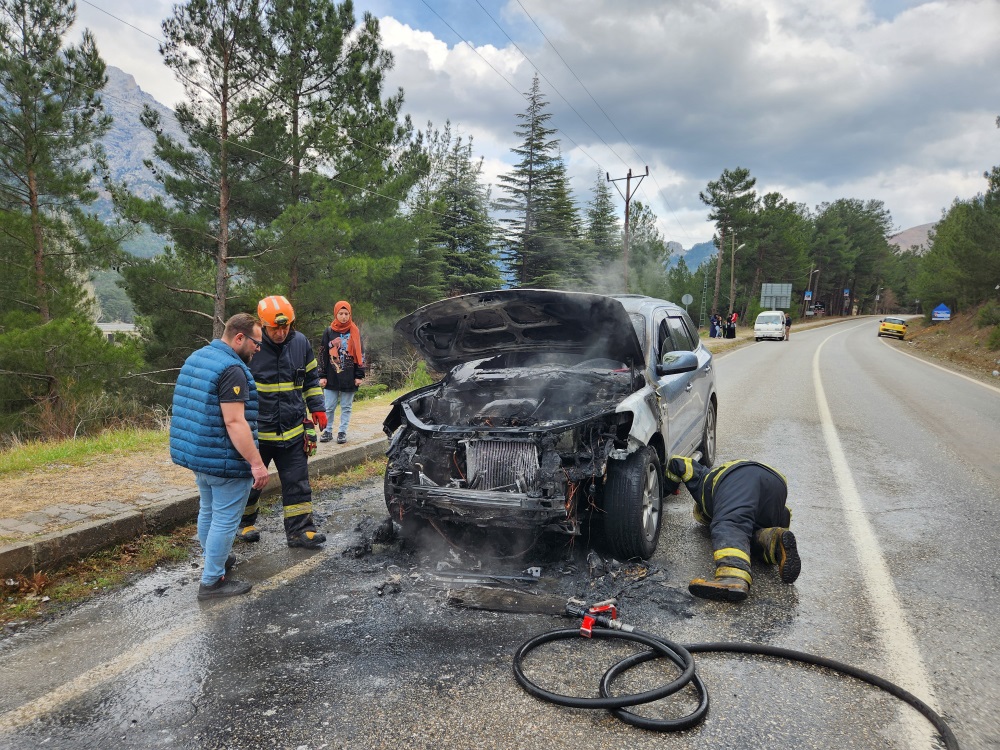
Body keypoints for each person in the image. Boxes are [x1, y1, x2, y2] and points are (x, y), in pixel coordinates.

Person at [170, 313, 270, 600]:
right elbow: (235, 422)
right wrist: (256, 463)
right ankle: (213, 581)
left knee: (209, 511)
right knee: (225, 520)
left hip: (199, 454)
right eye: (255, 343)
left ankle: (218, 559)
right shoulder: (232, 370)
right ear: (239, 338)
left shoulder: (199, 356)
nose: (257, 349)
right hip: (224, 459)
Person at [237, 295, 329, 549]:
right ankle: (243, 524)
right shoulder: (251, 347)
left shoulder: (300, 343)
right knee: (251, 483)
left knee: (298, 482)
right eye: (275, 328)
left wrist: (317, 409)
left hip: (292, 429)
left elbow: (310, 379)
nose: (280, 332)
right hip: (258, 431)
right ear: (263, 325)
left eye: (285, 327)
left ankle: (300, 531)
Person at [663, 455, 800, 603]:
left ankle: (732, 575)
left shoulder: (704, 482)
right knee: (749, 536)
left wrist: (662, 490)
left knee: (730, 524)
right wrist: (781, 529)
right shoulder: (730, 497)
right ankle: (774, 543)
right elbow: (785, 513)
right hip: (777, 485)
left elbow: (677, 462)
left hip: (740, 476)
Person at [318, 300, 365, 444]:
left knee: (346, 406)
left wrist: (359, 375)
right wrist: (322, 375)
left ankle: (342, 432)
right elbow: (322, 354)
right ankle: (327, 431)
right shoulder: (329, 331)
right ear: (336, 314)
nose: (343, 316)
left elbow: (360, 354)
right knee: (329, 406)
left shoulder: (355, 331)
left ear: (350, 315)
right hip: (331, 376)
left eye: (346, 314)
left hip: (349, 376)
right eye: (341, 313)